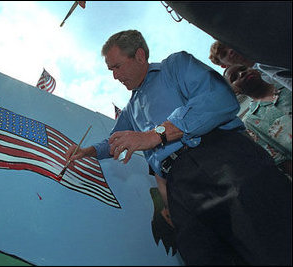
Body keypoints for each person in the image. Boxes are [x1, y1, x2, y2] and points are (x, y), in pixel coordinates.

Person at [64, 30, 292, 265]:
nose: (115, 76)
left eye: (117, 66)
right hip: (179, 189)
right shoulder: (131, 109)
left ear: (140, 56)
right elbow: (114, 142)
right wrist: (88, 152)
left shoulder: (175, 66)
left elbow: (218, 98)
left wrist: (156, 134)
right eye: (111, 70)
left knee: (271, 242)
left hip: (220, 158)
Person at [224, 64, 292, 178]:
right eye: (234, 77)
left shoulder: (287, 83)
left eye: (243, 68)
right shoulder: (251, 122)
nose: (242, 73)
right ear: (234, 91)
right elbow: (281, 160)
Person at [209, 40, 292, 91]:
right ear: (224, 65)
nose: (230, 51)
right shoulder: (259, 79)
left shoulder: (269, 51)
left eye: (230, 46)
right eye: (224, 54)